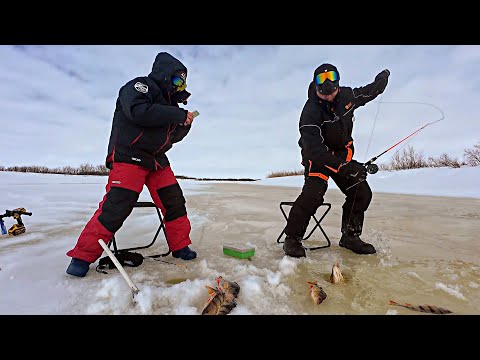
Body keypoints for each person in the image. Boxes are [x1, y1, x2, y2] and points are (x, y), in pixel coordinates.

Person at [66, 52, 198, 277]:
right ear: (165, 75)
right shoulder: (140, 87)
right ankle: (82, 255)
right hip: (130, 154)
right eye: (177, 80)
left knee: (174, 201)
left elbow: (172, 137)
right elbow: (139, 112)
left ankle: (180, 246)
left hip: (156, 159)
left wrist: (184, 123)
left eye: (183, 82)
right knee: (118, 204)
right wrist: (177, 114)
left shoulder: (169, 106)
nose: (179, 86)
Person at [283, 63, 390, 258]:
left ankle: (350, 237)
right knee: (313, 194)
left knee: (362, 192)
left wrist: (380, 82)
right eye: (322, 84)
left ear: (337, 83)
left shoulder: (347, 96)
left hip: (342, 154)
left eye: (331, 81)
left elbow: (368, 93)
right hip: (317, 158)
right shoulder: (309, 112)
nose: (328, 91)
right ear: (316, 87)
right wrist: (344, 168)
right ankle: (292, 238)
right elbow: (314, 150)